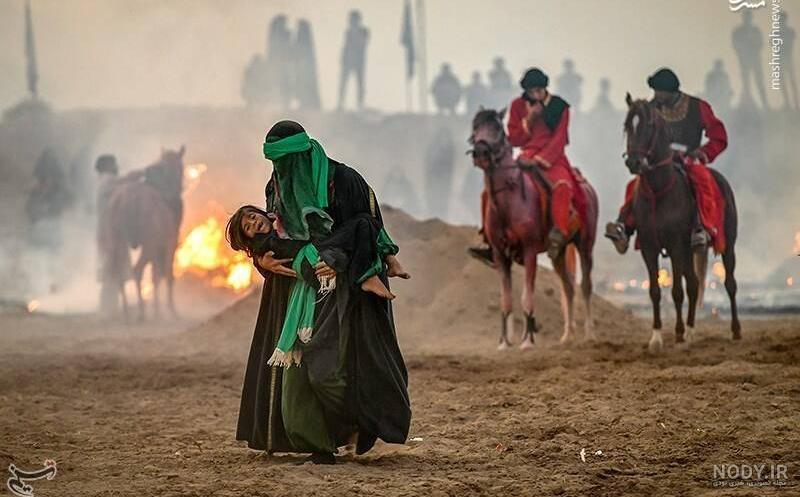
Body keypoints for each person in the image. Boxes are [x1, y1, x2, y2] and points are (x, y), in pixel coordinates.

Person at [236, 120, 411, 464]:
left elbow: (367, 224)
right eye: (277, 164)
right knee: (300, 371)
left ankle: (353, 427)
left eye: (287, 162)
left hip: (348, 289)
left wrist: (336, 260)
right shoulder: (276, 186)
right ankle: (319, 443)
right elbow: (271, 238)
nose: (282, 170)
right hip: (300, 290)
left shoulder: (342, 179)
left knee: (335, 367)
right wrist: (262, 262)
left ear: (303, 152)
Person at [605, 68, 729, 254]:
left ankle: (703, 227)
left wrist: (702, 153)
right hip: (658, 162)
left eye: (659, 92)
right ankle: (625, 228)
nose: (656, 96)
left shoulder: (697, 107)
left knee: (701, 178)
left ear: (671, 92)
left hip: (688, 159)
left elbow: (719, 136)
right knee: (634, 186)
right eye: (655, 91)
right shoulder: (651, 108)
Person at [226, 205, 408, 300]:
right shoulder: (265, 244)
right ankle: (367, 275)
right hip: (313, 264)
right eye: (247, 228)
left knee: (365, 221)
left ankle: (389, 259)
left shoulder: (275, 225)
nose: (254, 222)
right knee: (362, 223)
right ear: (247, 239)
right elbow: (295, 246)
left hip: (316, 254)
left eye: (252, 216)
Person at [732, 10, 769, 109]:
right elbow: (736, 45)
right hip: (744, 60)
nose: (747, 19)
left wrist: (752, 46)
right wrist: (744, 50)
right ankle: (749, 106)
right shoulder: (739, 31)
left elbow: (761, 43)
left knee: (759, 82)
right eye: (746, 17)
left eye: (749, 17)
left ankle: (764, 104)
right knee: (746, 84)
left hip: (755, 60)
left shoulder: (755, 30)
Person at [338, 10, 369, 110]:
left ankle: (360, 105)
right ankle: (341, 103)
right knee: (344, 83)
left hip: (358, 61)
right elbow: (345, 46)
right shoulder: (348, 32)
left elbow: (362, 45)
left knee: (360, 83)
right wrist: (342, 58)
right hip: (347, 61)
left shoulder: (363, 31)